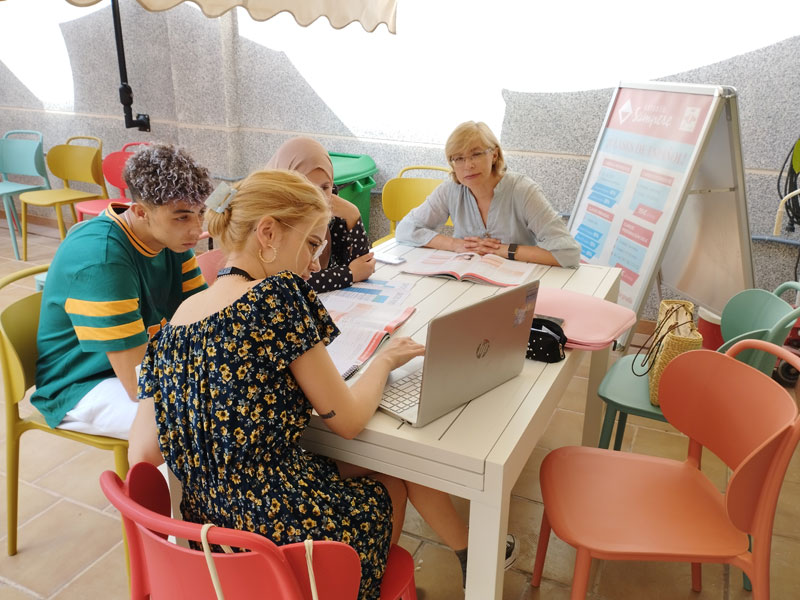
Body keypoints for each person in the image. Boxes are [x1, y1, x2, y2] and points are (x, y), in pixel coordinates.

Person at [127, 169, 514, 598]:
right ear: (268, 233)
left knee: (375, 469)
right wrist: (384, 362)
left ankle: (466, 551)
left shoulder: (174, 324)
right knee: (389, 486)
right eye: (312, 244)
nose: (315, 263)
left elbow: (143, 453)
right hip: (283, 546)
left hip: (213, 546)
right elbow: (347, 422)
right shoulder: (278, 295)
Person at [33, 143, 213, 440]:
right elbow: (138, 384)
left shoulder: (172, 239)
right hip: (82, 383)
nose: (196, 229)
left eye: (200, 213)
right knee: (199, 424)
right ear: (140, 212)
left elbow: (203, 318)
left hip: (146, 361)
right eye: (182, 217)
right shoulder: (103, 258)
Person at [395, 121, 581, 268]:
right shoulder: (450, 190)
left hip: (516, 282)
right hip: (465, 279)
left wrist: (502, 250)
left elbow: (568, 252)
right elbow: (406, 229)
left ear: (494, 155)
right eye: (459, 158)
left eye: (476, 154)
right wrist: (455, 244)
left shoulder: (523, 190)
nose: (468, 165)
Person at [265, 136, 376, 292]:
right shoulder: (270, 218)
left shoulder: (331, 206)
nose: (319, 199)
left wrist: (353, 216)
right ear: (286, 186)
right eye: (308, 188)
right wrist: (349, 275)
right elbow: (290, 283)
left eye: (324, 187)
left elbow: (363, 266)